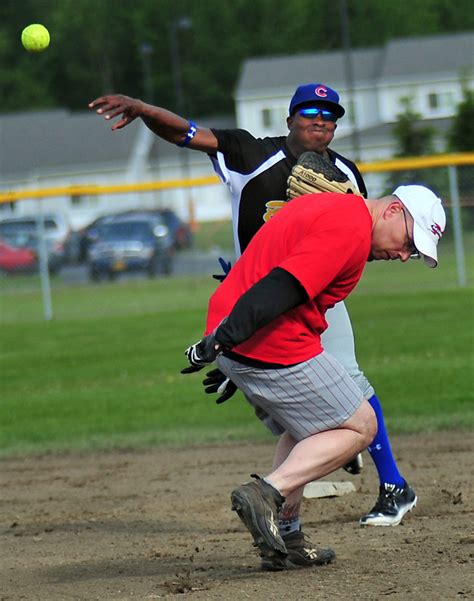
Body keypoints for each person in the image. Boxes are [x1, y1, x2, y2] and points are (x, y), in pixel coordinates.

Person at [89, 82, 422, 552]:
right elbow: (186, 133)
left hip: (305, 299)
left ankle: (382, 486)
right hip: (261, 299)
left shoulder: (345, 172)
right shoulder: (250, 153)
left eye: (331, 113)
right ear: (289, 118)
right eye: (310, 110)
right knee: (340, 413)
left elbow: (361, 247)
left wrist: (238, 344)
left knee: (345, 390)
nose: (321, 119)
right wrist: (145, 110)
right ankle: (288, 501)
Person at [181, 184, 446, 570]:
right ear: (392, 212)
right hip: (264, 339)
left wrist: (229, 346)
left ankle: (287, 534)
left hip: (253, 336)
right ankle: (264, 493)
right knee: (361, 426)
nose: (404, 256)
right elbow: (283, 285)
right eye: (409, 242)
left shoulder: (341, 214)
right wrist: (225, 339)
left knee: (312, 426)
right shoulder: (350, 230)